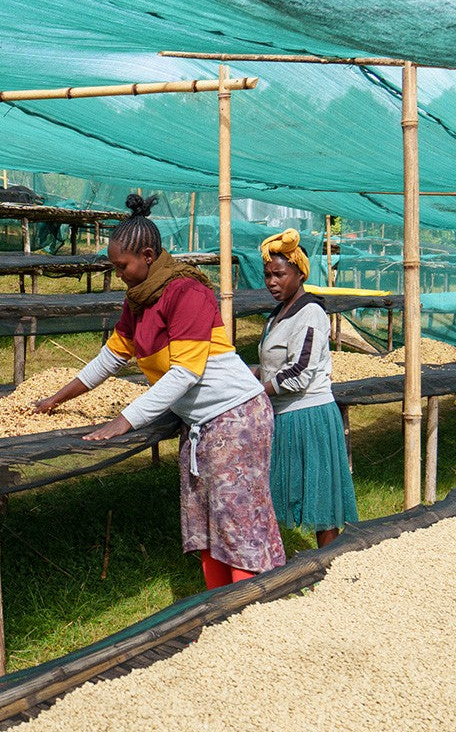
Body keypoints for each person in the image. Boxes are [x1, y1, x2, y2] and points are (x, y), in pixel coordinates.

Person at [35, 193, 285, 589]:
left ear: (148, 255)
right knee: (204, 516)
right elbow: (109, 359)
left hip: (237, 418)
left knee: (238, 518)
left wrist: (126, 419)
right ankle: (219, 603)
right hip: (201, 423)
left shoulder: (187, 292)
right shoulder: (137, 301)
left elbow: (185, 372)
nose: (118, 273)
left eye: (123, 265)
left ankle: (256, 602)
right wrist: (55, 399)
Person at [258, 229, 358, 548]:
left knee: (321, 502)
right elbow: (270, 366)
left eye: (280, 274)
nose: (272, 282)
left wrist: (257, 392)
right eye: (267, 275)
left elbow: (299, 372)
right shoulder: (277, 315)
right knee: (280, 493)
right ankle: (278, 569)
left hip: (310, 416)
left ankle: (330, 571)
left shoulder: (310, 313)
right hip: (283, 416)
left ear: (300, 274)